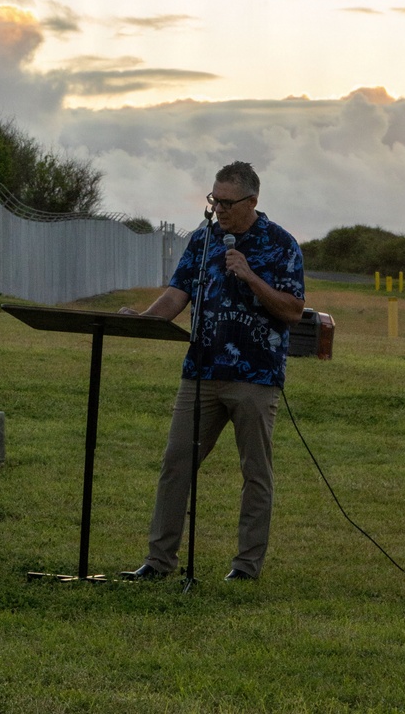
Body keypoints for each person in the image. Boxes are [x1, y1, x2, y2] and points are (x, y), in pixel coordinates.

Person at [120, 160, 304, 583]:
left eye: (227, 202)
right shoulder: (202, 240)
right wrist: (145, 318)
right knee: (176, 464)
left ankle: (245, 567)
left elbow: (292, 310)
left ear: (252, 201)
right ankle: (158, 561)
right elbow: (177, 293)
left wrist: (251, 277)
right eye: (214, 200)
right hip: (201, 370)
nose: (218, 209)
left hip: (255, 377)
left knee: (255, 472)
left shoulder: (281, 244)